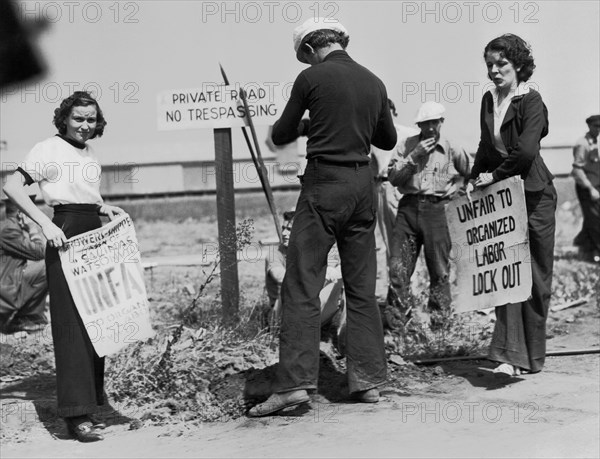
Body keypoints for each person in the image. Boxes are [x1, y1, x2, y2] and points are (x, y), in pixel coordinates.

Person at [248, 17, 397, 417]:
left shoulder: (311, 79)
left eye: (304, 57)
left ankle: (294, 385)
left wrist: (308, 123)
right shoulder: (374, 81)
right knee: (361, 287)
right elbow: (388, 140)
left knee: (301, 284)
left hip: (324, 184)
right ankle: (367, 382)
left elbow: (280, 135)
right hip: (363, 186)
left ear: (311, 50)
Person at [3, 91, 125, 441]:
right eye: (78, 119)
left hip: (94, 231)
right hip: (65, 233)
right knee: (71, 325)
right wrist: (45, 224)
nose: (85, 125)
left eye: (91, 119)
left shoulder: (89, 153)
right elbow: (12, 186)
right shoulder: (47, 149)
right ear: (65, 119)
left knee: (95, 321)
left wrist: (105, 209)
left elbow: (82, 194)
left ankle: (89, 406)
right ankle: (75, 417)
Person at [468, 34, 557, 377]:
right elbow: (485, 145)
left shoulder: (530, 100)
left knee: (536, 277)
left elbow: (526, 151)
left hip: (535, 195)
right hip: (504, 195)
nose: (493, 71)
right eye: (489, 64)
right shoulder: (488, 100)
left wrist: (494, 176)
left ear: (519, 65)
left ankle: (531, 358)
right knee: (507, 274)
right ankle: (509, 355)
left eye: (501, 64)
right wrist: (475, 177)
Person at [387, 101, 471, 327]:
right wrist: (414, 155)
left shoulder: (452, 148)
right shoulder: (406, 145)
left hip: (438, 210)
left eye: (435, 122)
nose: (431, 128)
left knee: (439, 270)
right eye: (426, 123)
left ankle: (440, 325)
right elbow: (393, 178)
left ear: (441, 122)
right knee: (399, 267)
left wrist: (458, 194)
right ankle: (397, 326)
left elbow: (470, 172)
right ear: (419, 125)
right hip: (408, 208)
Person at [369, 99, 419, 285]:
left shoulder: (407, 133)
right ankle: (394, 285)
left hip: (397, 186)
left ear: (392, 111)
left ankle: (411, 284)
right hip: (378, 187)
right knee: (384, 240)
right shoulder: (370, 134)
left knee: (403, 236)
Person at [0, 195, 48, 334]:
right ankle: (23, 318)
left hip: (6, 285)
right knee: (47, 266)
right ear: (22, 212)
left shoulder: (8, 226)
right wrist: (33, 229)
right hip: (5, 291)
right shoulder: (9, 230)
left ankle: (26, 316)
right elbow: (41, 253)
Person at [572, 114, 600, 263]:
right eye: (596, 126)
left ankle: (586, 250)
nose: (598, 130)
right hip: (587, 188)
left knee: (592, 220)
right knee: (595, 220)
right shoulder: (582, 144)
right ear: (589, 126)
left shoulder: (594, 142)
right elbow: (577, 170)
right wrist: (591, 189)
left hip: (597, 186)